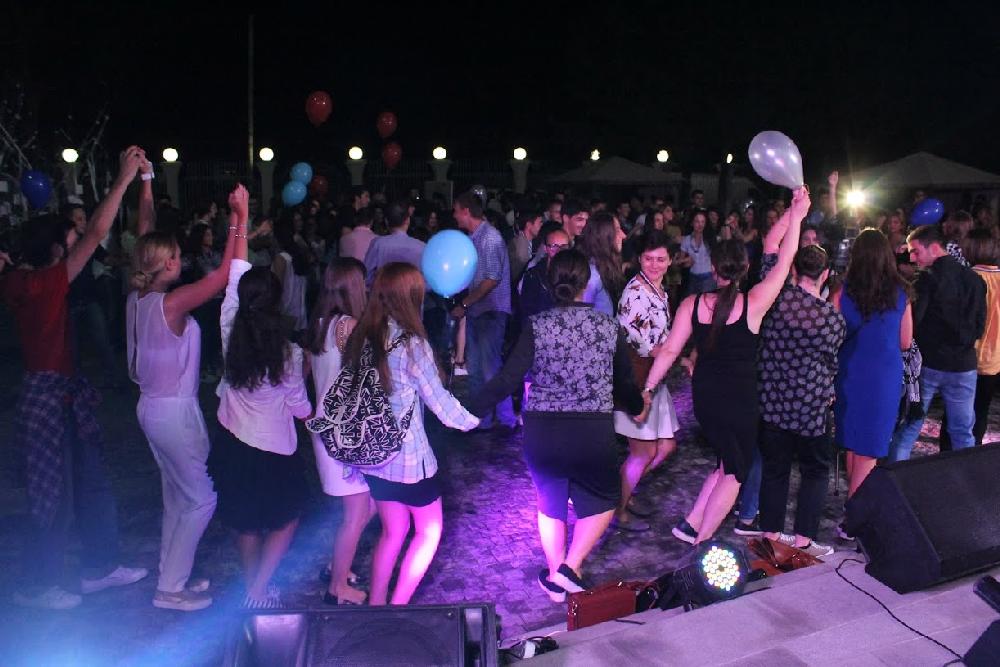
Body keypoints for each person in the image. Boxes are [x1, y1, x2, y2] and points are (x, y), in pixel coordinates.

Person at [2, 146, 148, 610]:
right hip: (49, 400)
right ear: (54, 249)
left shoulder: (18, 278)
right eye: (70, 238)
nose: (77, 242)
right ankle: (36, 584)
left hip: (59, 396)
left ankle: (100, 567)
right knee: (53, 497)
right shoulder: (42, 284)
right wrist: (123, 178)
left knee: (90, 483)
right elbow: (99, 231)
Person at [468, 250, 645, 601]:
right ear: (587, 283)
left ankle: (555, 578)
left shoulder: (537, 325)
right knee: (605, 499)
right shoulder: (608, 327)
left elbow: (507, 379)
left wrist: (467, 409)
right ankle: (570, 567)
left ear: (551, 283)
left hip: (544, 432)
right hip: (590, 431)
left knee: (550, 503)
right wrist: (638, 406)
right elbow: (624, 385)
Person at [643, 187, 810, 545]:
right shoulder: (755, 301)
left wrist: (647, 388)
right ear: (745, 268)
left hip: (706, 397)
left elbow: (669, 352)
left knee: (725, 463)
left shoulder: (692, 303)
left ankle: (690, 525)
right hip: (739, 401)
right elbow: (786, 259)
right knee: (736, 472)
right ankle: (702, 543)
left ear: (713, 268)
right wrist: (797, 215)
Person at [125, 185, 247, 610]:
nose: (181, 259)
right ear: (165, 265)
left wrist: (146, 181)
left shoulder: (138, 298)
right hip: (172, 411)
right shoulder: (172, 303)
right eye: (175, 255)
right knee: (202, 498)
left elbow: (145, 234)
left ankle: (171, 576)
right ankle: (169, 589)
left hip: (154, 407)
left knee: (178, 497)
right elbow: (222, 275)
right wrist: (238, 219)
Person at [345, 263, 479, 605]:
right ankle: (398, 606)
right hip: (408, 460)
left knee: (392, 532)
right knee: (429, 531)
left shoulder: (363, 335)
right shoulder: (411, 344)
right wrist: (473, 420)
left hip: (374, 456)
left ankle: (377, 605)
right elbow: (441, 405)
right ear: (410, 298)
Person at [211, 211, 312, 608]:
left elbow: (235, 271)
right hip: (273, 448)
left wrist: (239, 217)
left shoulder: (228, 329)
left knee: (245, 521)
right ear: (276, 302)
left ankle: (250, 584)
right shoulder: (288, 353)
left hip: (233, 443)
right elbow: (299, 405)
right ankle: (259, 587)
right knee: (285, 518)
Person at [757, 242, 845, 557]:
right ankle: (804, 541)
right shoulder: (832, 319)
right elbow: (831, 363)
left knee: (775, 470)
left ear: (793, 269)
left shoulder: (776, 299)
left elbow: (769, 252)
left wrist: (792, 219)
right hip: (810, 409)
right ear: (826, 274)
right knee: (815, 472)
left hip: (772, 403)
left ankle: (770, 536)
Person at [305, 258, 376, 605]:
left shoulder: (320, 324)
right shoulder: (348, 326)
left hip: (329, 428)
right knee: (357, 512)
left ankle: (338, 566)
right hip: (345, 433)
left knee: (368, 506)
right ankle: (337, 587)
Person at [831, 230, 913, 516]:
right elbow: (905, 341)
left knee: (854, 446)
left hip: (849, 375)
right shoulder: (900, 293)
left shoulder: (842, 292)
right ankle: (854, 519)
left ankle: (853, 512)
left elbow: (831, 336)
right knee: (868, 451)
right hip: (882, 379)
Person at [889, 224, 986, 461]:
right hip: (963, 365)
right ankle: (968, 480)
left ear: (934, 248)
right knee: (962, 432)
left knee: (910, 425)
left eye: (916, 251)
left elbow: (915, 323)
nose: (912, 258)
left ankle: (894, 477)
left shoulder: (926, 280)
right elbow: (979, 325)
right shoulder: (974, 280)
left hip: (928, 364)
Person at [611, 230, 679, 532]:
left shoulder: (658, 289)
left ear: (670, 261)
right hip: (639, 379)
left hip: (655, 377)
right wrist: (671, 351)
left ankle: (624, 490)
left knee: (666, 446)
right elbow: (639, 344)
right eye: (649, 259)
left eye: (660, 259)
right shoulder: (636, 292)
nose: (654, 264)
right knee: (644, 452)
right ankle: (618, 508)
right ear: (640, 259)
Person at [450, 191, 516, 430]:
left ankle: (506, 419)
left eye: (456, 211)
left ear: (466, 211)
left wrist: (464, 304)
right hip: (479, 310)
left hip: (491, 311)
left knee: (490, 368)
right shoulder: (474, 238)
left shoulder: (490, 238)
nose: (454, 216)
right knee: (477, 368)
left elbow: (492, 279)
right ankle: (483, 419)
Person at [363, 200, 426, 284]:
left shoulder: (378, 244)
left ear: (386, 221)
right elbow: (427, 282)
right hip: (413, 291)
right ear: (408, 220)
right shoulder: (422, 247)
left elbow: (366, 276)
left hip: (383, 291)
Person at [577, 211, 626, 316]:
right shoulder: (592, 274)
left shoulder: (604, 268)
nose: (623, 235)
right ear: (603, 236)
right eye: (617, 230)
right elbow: (582, 316)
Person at [518, 228, 570, 319]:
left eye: (564, 247)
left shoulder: (574, 274)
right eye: (554, 246)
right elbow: (526, 312)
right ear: (545, 248)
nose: (559, 251)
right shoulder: (533, 275)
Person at [272, 215, 311, 332]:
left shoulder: (281, 258)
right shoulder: (300, 256)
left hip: (286, 315)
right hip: (301, 316)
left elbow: (277, 290)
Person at [676, 210, 715, 295]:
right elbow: (680, 262)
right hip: (693, 277)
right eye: (697, 221)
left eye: (702, 222)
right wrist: (686, 261)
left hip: (708, 277)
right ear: (692, 223)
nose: (700, 224)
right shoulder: (686, 240)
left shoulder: (709, 238)